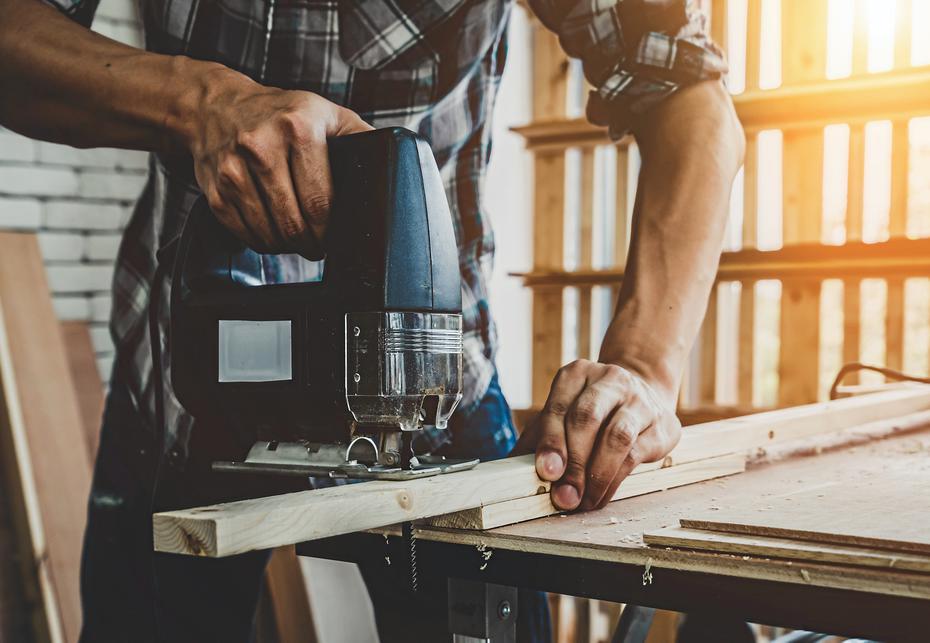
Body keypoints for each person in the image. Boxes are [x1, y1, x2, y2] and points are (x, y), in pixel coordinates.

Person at [0, 0, 744, 640]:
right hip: (180, 389)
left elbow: (690, 94)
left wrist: (645, 364)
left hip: (434, 395)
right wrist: (199, 103)